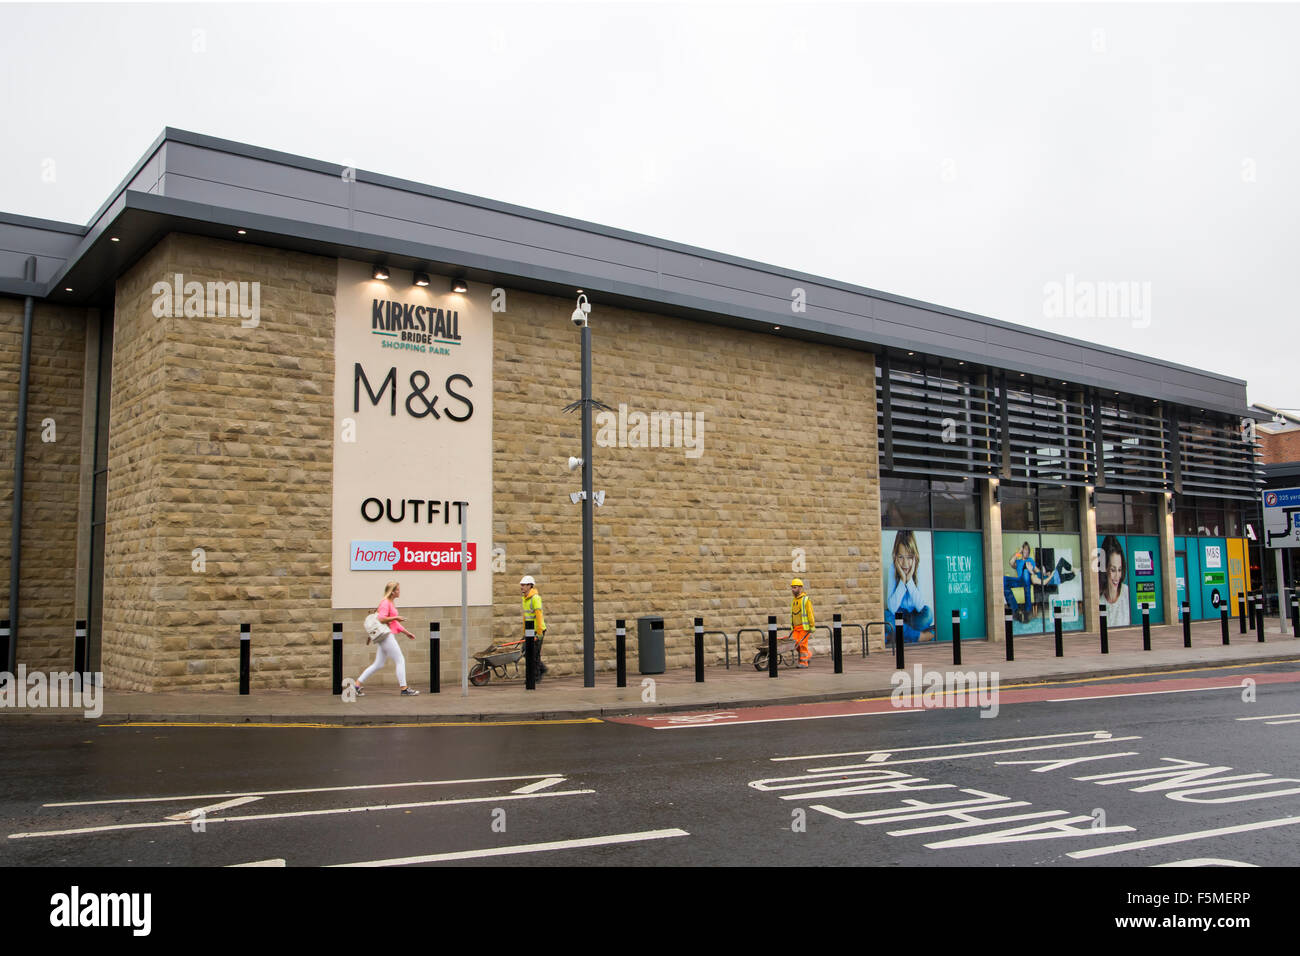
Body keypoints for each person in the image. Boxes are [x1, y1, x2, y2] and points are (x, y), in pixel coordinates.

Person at [356, 581, 419, 696]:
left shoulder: (390, 602)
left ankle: (356, 686)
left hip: (385, 635)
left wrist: (406, 632)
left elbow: (394, 623)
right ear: (393, 592)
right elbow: (381, 619)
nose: (400, 592)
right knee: (400, 660)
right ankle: (404, 689)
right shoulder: (385, 603)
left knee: (378, 664)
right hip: (386, 636)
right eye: (398, 590)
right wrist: (396, 617)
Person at [886, 531, 935, 642]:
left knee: (928, 613)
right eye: (901, 557)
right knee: (886, 616)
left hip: (914, 616)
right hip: (898, 615)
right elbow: (892, 608)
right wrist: (903, 580)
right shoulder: (892, 569)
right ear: (895, 557)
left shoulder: (918, 568)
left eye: (909, 557)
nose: (905, 563)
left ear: (914, 557)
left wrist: (909, 581)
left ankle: (896, 636)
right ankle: (920, 637)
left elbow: (920, 606)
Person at [1003, 541, 1037, 623]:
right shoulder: (1018, 561)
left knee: (1025, 572)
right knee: (1003, 579)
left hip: (1027, 580)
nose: (1027, 551)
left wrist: (1032, 571)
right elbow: (1011, 562)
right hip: (1019, 580)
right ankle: (1015, 610)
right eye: (1025, 549)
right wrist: (1019, 553)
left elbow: (1035, 571)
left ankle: (1027, 611)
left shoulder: (1030, 560)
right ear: (1022, 551)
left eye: (1028, 550)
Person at [520, 575, 548, 677]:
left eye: (523, 585)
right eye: (521, 585)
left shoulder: (535, 598)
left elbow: (539, 616)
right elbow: (525, 616)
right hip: (529, 629)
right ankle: (541, 668)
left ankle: (535, 676)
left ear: (529, 586)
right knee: (525, 651)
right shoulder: (525, 598)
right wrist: (524, 632)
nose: (521, 587)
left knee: (534, 654)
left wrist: (539, 633)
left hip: (537, 629)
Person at [1099, 535, 1130, 626]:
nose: (1117, 576)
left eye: (1119, 570)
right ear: (1104, 569)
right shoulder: (1097, 598)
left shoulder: (1127, 594)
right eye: (1113, 570)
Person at [789, 578, 814, 667]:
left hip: (804, 627)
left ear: (800, 588)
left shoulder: (805, 600)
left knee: (802, 644)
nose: (793, 589)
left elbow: (810, 612)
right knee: (795, 644)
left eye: (794, 587)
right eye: (792, 587)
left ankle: (804, 662)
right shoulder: (794, 600)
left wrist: (812, 625)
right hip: (796, 628)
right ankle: (808, 654)